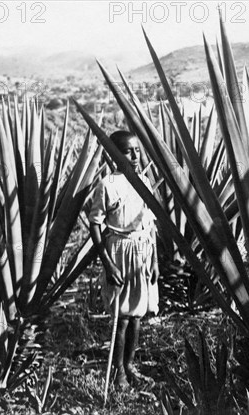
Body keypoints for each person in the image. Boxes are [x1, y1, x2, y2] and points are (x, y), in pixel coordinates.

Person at [89, 130, 159, 389]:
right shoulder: (108, 185)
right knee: (123, 317)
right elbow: (95, 223)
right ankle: (117, 370)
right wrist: (108, 264)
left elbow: (150, 223)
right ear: (116, 154)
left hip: (143, 251)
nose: (135, 155)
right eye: (128, 151)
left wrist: (155, 262)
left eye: (137, 150)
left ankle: (129, 364)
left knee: (138, 315)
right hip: (119, 252)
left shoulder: (144, 182)